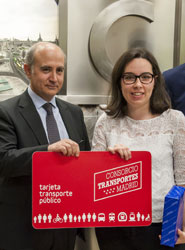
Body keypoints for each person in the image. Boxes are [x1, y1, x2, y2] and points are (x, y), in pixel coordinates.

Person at [92, 47, 185, 250]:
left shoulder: (175, 120)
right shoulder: (105, 123)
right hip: (114, 226)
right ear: (119, 81)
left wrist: (184, 227)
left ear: (155, 80)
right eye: (129, 77)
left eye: (145, 77)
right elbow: (92, 183)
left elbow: (183, 181)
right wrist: (110, 162)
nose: (137, 85)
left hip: (164, 227)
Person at [0, 42, 90, 250]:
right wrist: (47, 151)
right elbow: (4, 161)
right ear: (27, 71)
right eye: (46, 69)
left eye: (59, 70)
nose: (54, 78)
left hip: (64, 226)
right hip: (22, 229)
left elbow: (84, 163)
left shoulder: (74, 113)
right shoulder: (6, 112)